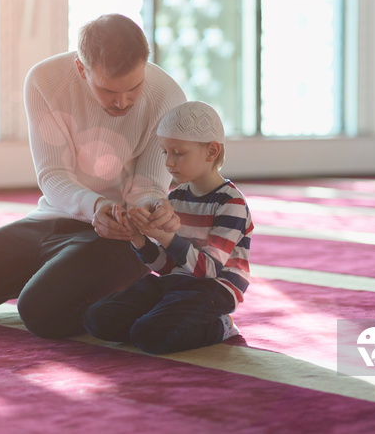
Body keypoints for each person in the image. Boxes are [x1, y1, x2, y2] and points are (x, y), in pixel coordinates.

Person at [0, 14, 186, 338]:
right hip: (53, 219)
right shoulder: (45, 80)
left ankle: (136, 287)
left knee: (41, 313)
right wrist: (95, 207)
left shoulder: (168, 97)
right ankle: (65, 275)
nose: (122, 101)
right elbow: (53, 174)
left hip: (121, 236)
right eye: (108, 90)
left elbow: (147, 185)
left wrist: (154, 208)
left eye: (133, 88)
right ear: (81, 69)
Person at [83, 101, 253, 355]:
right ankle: (156, 320)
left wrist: (164, 236)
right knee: (97, 319)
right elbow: (166, 268)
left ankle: (220, 326)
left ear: (212, 151)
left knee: (150, 335)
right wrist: (138, 238)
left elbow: (207, 271)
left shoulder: (231, 204)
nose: (169, 162)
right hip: (177, 282)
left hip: (214, 289)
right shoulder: (176, 198)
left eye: (179, 153)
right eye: (165, 152)